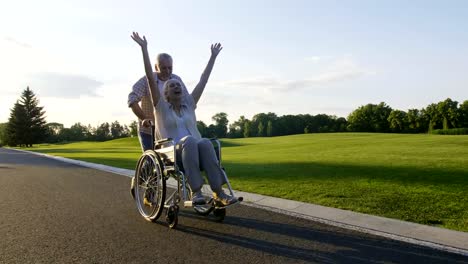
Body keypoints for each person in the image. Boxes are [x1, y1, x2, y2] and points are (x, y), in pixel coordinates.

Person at [131, 32, 237, 206]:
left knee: (204, 142)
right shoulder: (161, 106)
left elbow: (203, 80)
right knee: (189, 141)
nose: (176, 84)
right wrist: (144, 48)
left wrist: (213, 57)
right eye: (172, 85)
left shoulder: (189, 104)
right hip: (171, 150)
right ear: (165, 93)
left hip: (193, 148)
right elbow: (150, 77)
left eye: (178, 84)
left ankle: (219, 193)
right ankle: (196, 192)